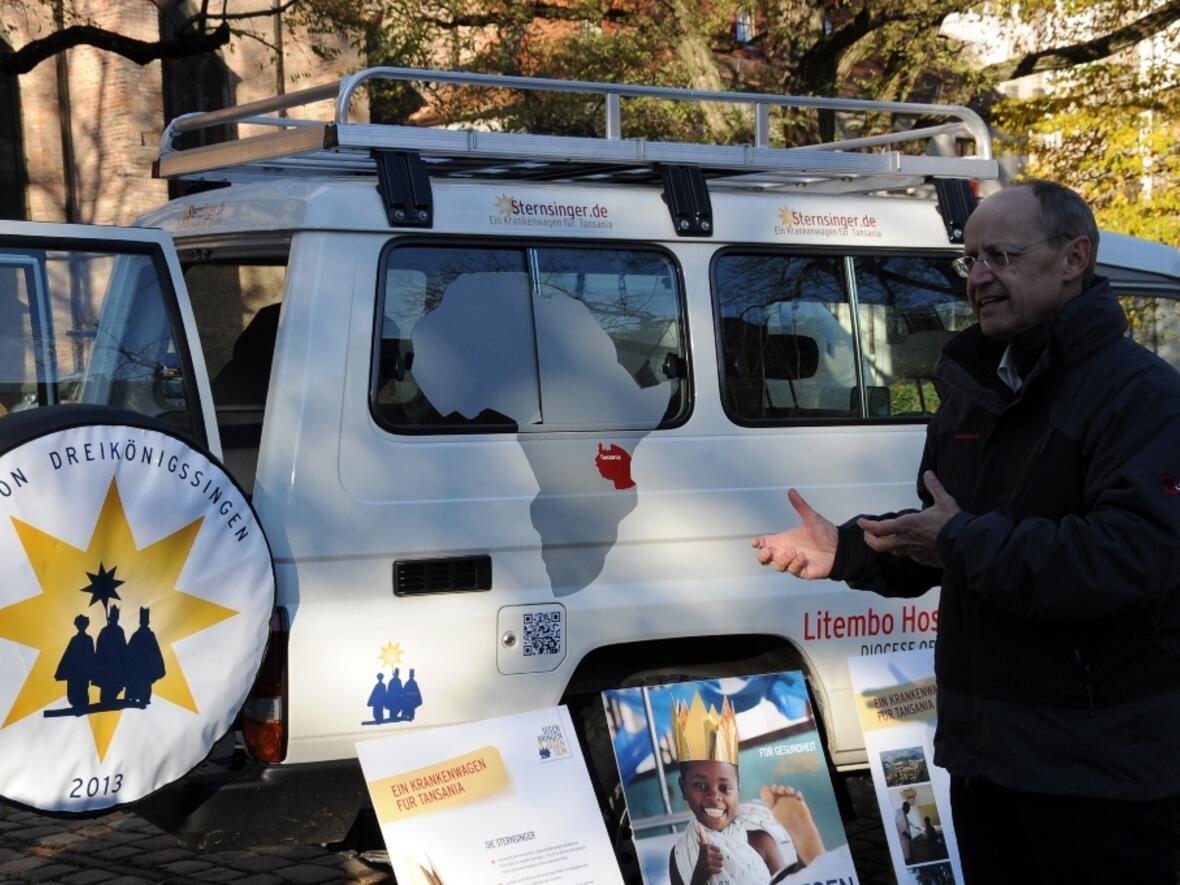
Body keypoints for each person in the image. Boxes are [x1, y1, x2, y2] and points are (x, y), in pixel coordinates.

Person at [752, 180, 1180, 883]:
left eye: (1001, 256)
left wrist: (959, 540)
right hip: (988, 763)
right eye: (970, 259)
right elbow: (943, 533)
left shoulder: (1142, 395)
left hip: (1103, 776)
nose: (978, 278)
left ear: (1074, 257)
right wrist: (849, 548)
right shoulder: (973, 390)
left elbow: (1130, 557)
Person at [667, 693, 824, 885]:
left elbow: (782, 882)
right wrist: (699, 877)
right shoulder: (679, 854)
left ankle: (804, 858)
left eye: (725, 788)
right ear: (683, 789)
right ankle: (808, 864)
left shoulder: (759, 840)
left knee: (793, 880)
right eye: (700, 785)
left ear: (738, 790)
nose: (714, 796)